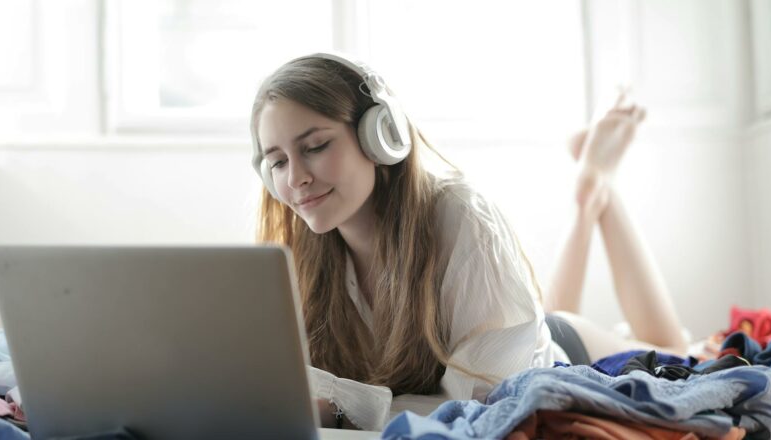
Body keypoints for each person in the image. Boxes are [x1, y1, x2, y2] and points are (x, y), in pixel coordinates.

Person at [248, 52, 688, 431]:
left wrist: (344, 411)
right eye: (278, 162)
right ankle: (590, 192)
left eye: (316, 146)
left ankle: (592, 187)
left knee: (677, 350)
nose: (296, 178)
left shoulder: (462, 217)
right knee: (547, 308)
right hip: (510, 330)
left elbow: (490, 405)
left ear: (380, 135)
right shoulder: (300, 249)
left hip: (550, 359)